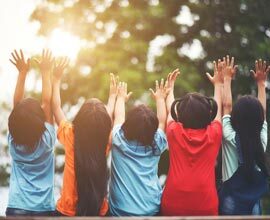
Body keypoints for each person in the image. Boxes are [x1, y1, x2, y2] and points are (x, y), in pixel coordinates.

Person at [52, 58, 116, 216]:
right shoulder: (104, 142)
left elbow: (56, 107)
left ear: (79, 119)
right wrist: (113, 98)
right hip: (98, 212)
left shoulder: (70, 135)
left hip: (66, 213)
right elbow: (103, 123)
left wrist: (56, 79)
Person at [161, 66, 223, 216]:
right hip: (206, 205)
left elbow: (170, 111)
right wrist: (218, 85)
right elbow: (219, 110)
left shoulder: (174, 132)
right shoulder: (214, 133)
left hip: (172, 204)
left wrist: (171, 88)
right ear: (207, 114)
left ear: (181, 114)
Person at [6, 49, 56, 216]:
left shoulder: (14, 141)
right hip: (43, 209)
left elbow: (17, 107)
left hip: (16, 207)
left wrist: (22, 73)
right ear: (39, 120)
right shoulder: (47, 140)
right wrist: (46, 72)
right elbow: (47, 102)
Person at [109, 80, 168, 216]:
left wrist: (120, 98)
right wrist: (160, 99)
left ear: (128, 124)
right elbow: (162, 121)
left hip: (120, 211)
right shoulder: (157, 142)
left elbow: (118, 117)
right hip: (151, 209)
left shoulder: (118, 140)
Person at [220, 57, 269, 215]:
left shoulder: (229, 136)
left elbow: (226, 106)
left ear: (236, 117)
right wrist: (261, 84)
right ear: (259, 119)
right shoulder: (261, 138)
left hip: (230, 203)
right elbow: (263, 113)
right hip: (254, 204)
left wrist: (227, 79)